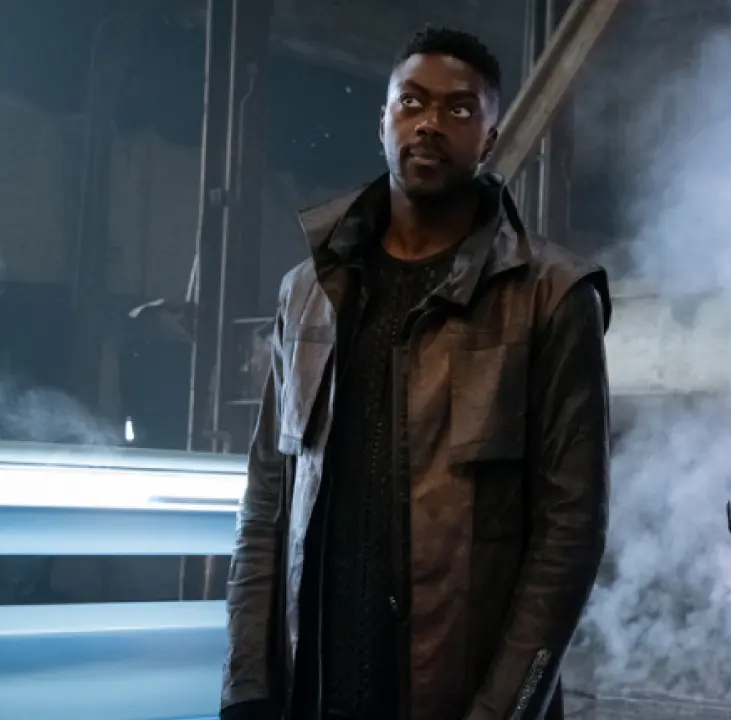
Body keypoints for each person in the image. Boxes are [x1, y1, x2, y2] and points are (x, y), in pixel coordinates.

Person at [219, 25, 612, 720]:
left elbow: (570, 533)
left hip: (461, 700)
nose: (430, 123)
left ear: (489, 140)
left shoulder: (551, 296)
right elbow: (267, 500)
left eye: (459, 109)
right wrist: (248, 686)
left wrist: (504, 710)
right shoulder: (306, 292)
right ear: (384, 120)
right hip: (318, 692)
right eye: (412, 102)